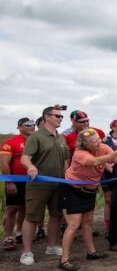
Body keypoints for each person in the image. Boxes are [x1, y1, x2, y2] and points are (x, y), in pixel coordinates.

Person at [58, 128, 117, 271]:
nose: (99, 143)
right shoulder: (80, 153)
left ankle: (91, 252)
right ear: (85, 144)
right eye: (94, 142)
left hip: (89, 191)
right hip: (73, 190)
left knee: (88, 222)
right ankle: (64, 260)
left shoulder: (103, 147)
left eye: (99, 139)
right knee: (73, 225)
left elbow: (116, 161)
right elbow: (95, 161)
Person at [19, 106, 69, 266]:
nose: (60, 119)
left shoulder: (61, 138)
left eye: (61, 117)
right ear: (46, 117)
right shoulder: (36, 136)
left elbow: (65, 161)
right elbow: (25, 158)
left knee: (56, 215)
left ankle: (52, 246)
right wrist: (31, 167)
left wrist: (67, 177)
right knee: (32, 217)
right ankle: (26, 252)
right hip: (38, 185)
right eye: (57, 116)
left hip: (58, 184)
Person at [0, 118, 34, 251]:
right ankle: (8, 237)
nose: (32, 126)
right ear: (20, 127)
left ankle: (20, 233)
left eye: (32, 124)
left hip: (32, 181)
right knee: (12, 209)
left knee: (25, 208)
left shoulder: (35, 141)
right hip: (15, 181)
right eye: (28, 125)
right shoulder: (11, 142)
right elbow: (4, 164)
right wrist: (9, 182)